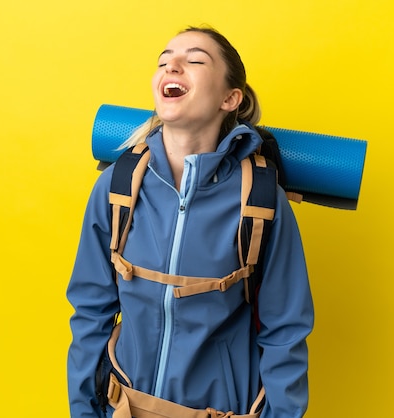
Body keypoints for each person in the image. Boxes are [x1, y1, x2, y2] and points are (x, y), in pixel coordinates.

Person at [67, 26, 314, 418]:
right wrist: (84, 410)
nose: (173, 66)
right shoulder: (116, 187)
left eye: (195, 60)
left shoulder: (262, 201)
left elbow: (286, 331)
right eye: (164, 60)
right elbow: (89, 312)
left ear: (230, 98)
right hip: (126, 407)